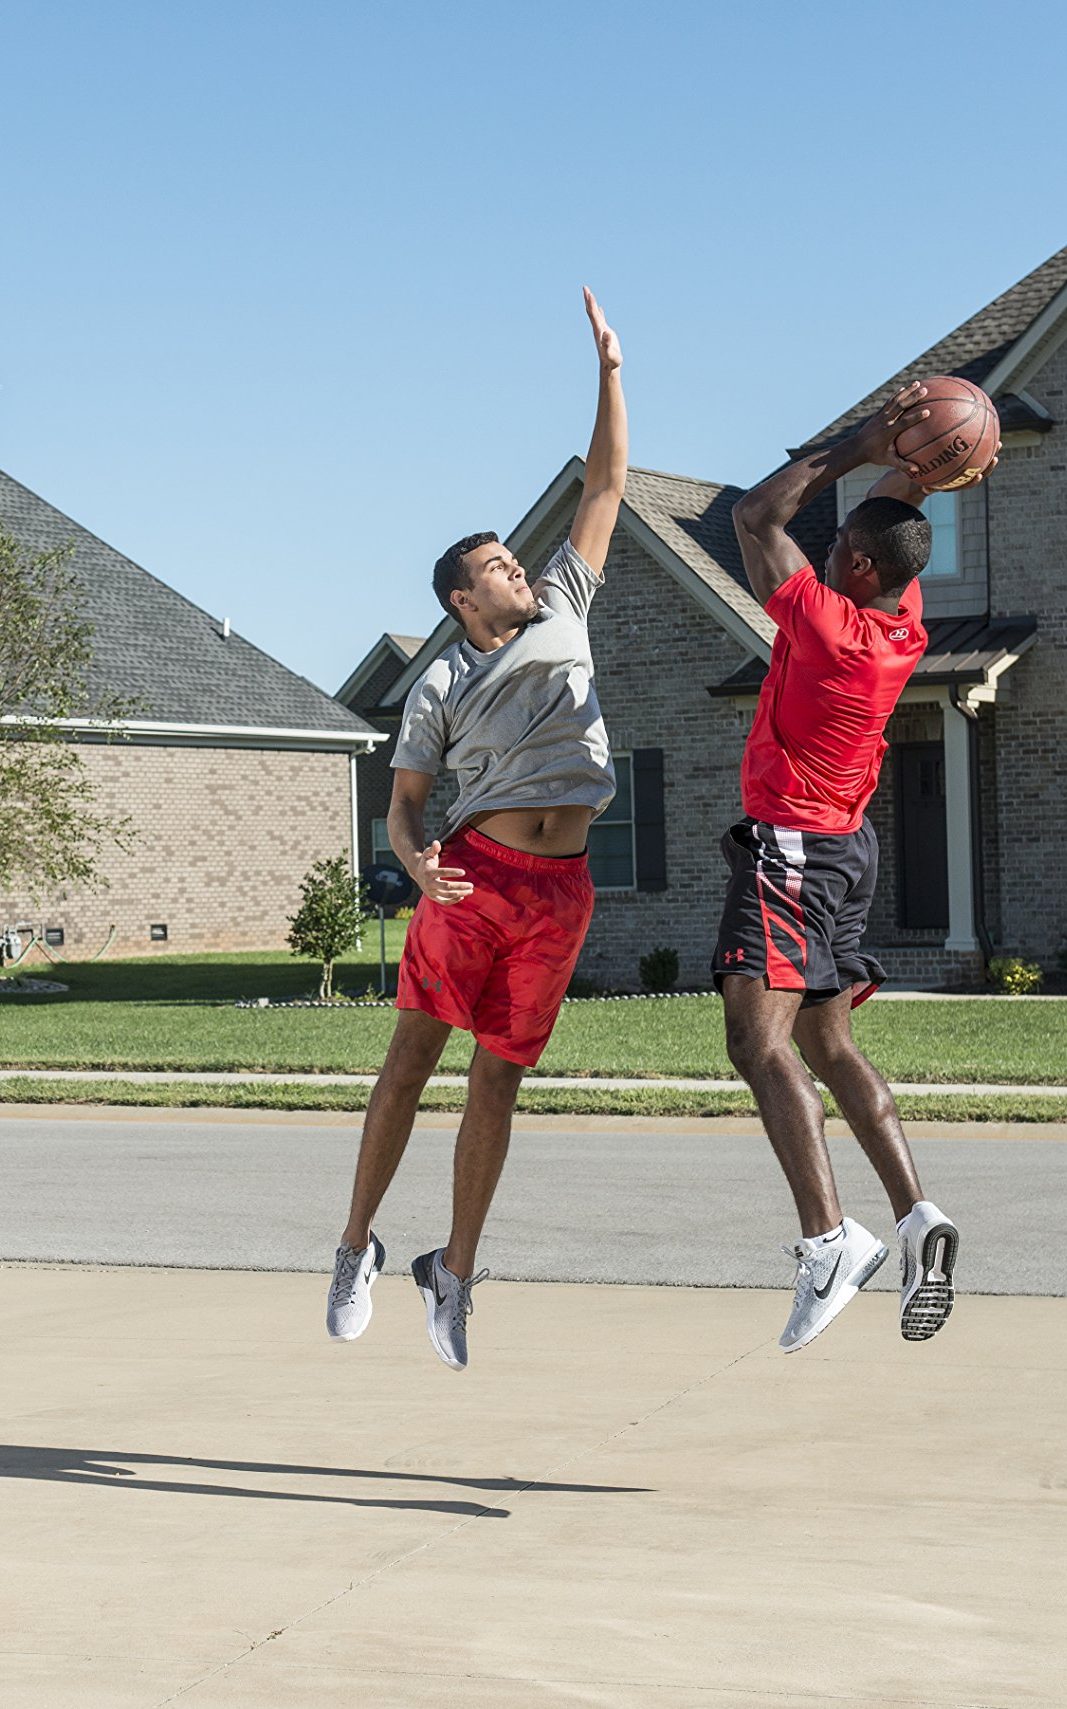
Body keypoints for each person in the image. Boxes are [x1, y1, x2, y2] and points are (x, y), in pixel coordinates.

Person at [325, 288, 625, 1369]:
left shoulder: (565, 605)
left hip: (561, 890)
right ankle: (354, 1244)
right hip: (478, 876)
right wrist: (415, 865)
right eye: (499, 566)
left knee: (498, 1077)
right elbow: (404, 806)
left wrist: (609, 372)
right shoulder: (441, 681)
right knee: (411, 1059)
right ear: (463, 598)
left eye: (516, 560)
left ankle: (451, 1270)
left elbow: (605, 485)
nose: (519, 569)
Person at [721, 381, 966, 1353]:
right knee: (826, 1045)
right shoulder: (904, 624)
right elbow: (891, 532)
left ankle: (829, 1241)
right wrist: (919, 471)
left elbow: (755, 516)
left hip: (792, 848)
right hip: (845, 852)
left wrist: (864, 444)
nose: (821, 557)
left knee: (756, 1044)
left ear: (855, 566)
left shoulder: (828, 626)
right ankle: (916, 1214)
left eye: (836, 554)